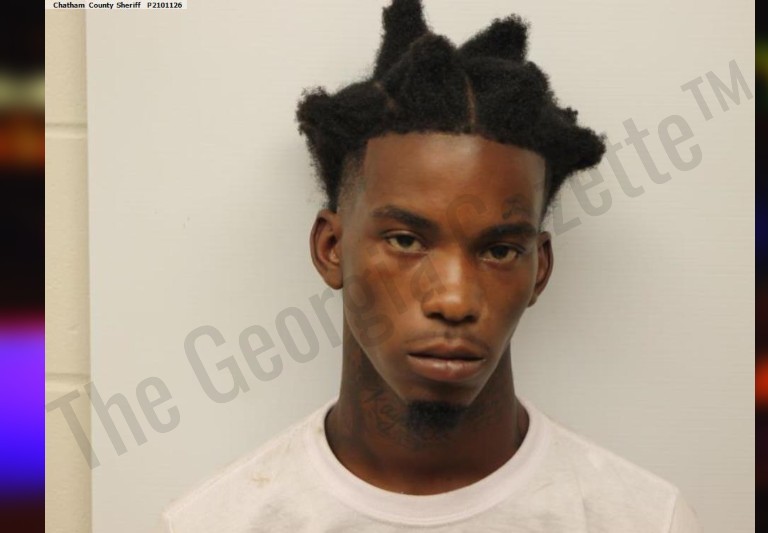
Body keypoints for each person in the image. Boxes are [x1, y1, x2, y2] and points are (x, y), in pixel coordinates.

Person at [158, 1, 702, 530]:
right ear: (331, 248)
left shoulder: (645, 520)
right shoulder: (213, 523)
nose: (454, 300)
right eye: (405, 240)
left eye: (499, 250)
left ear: (539, 268)